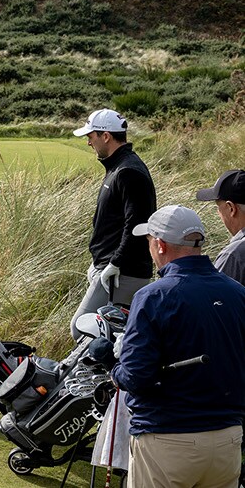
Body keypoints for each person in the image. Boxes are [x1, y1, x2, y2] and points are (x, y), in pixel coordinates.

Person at [110, 205, 245, 488]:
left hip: (168, 440)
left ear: (159, 245)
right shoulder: (237, 292)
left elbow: (136, 376)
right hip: (227, 442)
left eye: (149, 242)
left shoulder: (153, 296)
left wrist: (114, 367)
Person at [72, 109, 156, 338]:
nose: (89, 142)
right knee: (105, 335)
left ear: (106, 136)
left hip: (122, 273)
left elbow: (137, 224)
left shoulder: (128, 171)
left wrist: (115, 263)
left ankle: (113, 374)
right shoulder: (118, 166)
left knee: (81, 329)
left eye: (91, 136)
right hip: (112, 268)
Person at [198, 169, 245, 285]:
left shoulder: (234, 256)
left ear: (231, 208)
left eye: (218, 207)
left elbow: (213, 299)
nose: (218, 213)